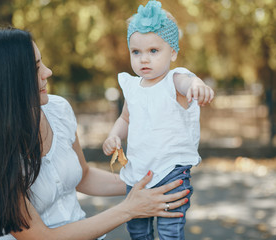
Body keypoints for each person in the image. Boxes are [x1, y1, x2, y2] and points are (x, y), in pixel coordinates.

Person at [0, 27, 193, 240]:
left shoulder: (58, 110)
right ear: (6, 83)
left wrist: (151, 181)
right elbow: (42, 237)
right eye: (35, 68)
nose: (48, 72)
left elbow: (82, 175)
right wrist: (129, 209)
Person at [102, 1, 215, 240]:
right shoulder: (132, 87)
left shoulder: (174, 79)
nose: (144, 59)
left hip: (171, 171)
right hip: (138, 172)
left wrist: (196, 85)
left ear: (172, 52)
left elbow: (187, 83)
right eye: (136, 52)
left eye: (154, 51)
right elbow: (125, 117)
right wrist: (114, 135)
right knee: (137, 229)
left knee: (169, 229)